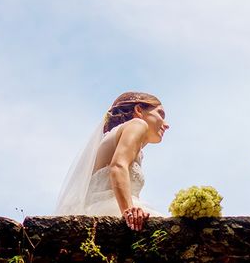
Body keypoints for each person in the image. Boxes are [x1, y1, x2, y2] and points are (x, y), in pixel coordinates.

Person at [55, 92, 169, 231]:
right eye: (160, 114)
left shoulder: (114, 138)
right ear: (139, 110)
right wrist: (129, 210)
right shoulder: (138, 124)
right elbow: (117, 166)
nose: (166, 124)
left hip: (95, 209)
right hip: (112, 209)